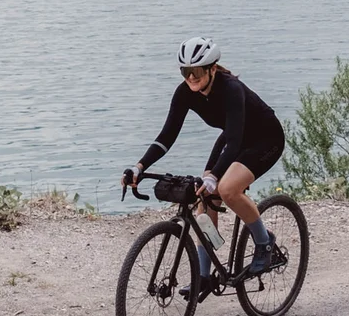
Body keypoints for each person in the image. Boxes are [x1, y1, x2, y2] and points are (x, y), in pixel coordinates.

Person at [121, 37, 286, 297]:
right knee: (204, 197)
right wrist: (139, 167)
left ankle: (264, 243)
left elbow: (234, 141)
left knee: (227, 189)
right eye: (185, 71)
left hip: (266, 138)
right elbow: (167, 136)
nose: (191, 77)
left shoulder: (231, 89)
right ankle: (204, 276)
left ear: (212, 69)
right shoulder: (185, 92)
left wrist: (215, 176)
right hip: (233, 139)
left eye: (196, 71)